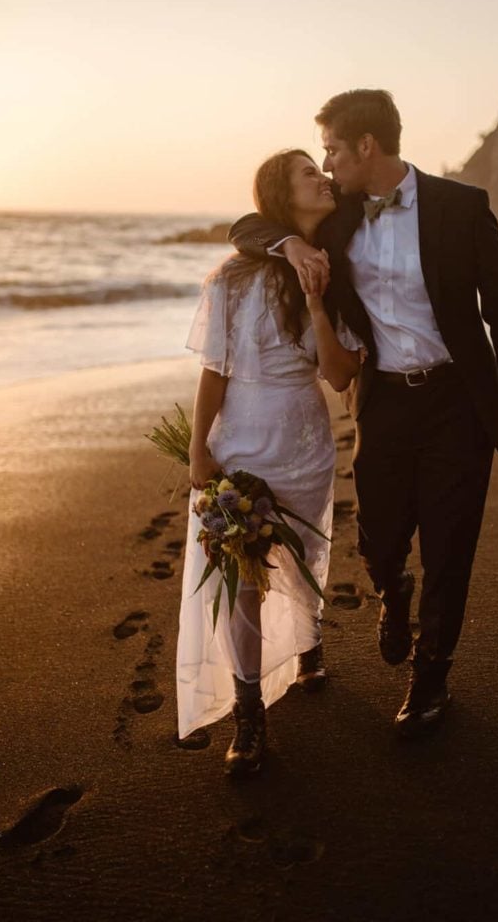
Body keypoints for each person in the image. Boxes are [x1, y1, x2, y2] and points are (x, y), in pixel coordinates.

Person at [228, 89, 498, 739]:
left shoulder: (461, 206)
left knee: (450, 545)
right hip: (384, 401)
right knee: (378, 537)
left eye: (333, 150)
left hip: (459, 401)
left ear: (366, 146)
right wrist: (288, 244)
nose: (327, 163)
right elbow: (247, 227)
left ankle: (430, 678)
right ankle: (393, 593)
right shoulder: (336, 216)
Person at [176, 148, 363, 776]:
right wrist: (199, 449)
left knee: (304, 554)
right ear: (282, 195)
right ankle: (249, 712)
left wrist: (318, 303)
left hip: (304, 441)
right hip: (241, 440)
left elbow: (340, 374)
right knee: (243, 576)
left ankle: (309, 642)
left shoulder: (337, 270)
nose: (323, 177)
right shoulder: (232, 278)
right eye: (309, 172)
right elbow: (214, 371)